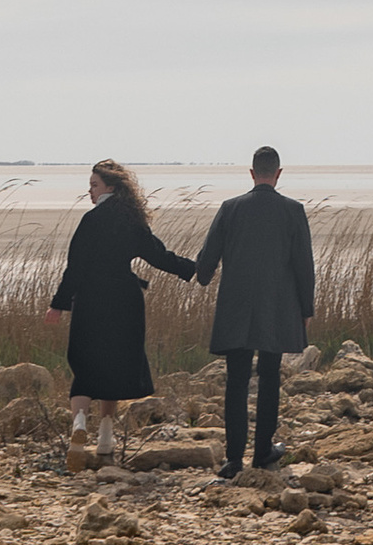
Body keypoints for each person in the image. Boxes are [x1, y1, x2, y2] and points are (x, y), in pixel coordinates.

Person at [45, 159, 196, 467]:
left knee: (86, 366)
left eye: (94, 186)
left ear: (109, 187)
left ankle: (78, 425)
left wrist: (58, 304)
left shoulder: (90, 220)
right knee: (113, 367)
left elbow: (74, 268)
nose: (89, 191)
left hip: (90, 300)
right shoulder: (131, 220)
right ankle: (105, 439)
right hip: (125, 302)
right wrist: (193, 269)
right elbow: (159, 256)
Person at [191, 146, 315, 479]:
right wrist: (306, 308)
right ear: (277, 174)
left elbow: (208, 258)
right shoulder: (293, 211)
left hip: (236, 305)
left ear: (251, 173)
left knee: (236, 381)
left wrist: (201, 275)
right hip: (277, 307)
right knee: (270, 378)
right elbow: (304, 265)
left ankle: (233, 459)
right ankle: (263, 452)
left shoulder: (230, 209)